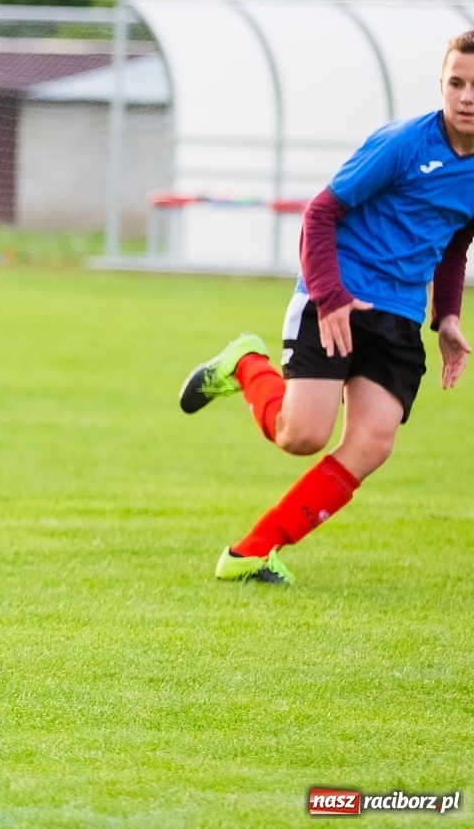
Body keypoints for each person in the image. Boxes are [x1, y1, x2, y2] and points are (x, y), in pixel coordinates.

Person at [178, 30, 474, 585]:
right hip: (337, 293)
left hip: (400, 316)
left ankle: (250, 554)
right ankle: (246, 364)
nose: (466, 96)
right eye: (456, 82)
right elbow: (320, 213)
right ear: (441, 84)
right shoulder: (404, 144)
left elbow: (456, 241)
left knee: (372, 444)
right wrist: (330, 297)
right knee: (302, 436)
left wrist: (448, 317)